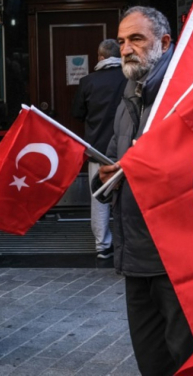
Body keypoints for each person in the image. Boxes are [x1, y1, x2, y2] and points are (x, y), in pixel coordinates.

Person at [96, 6, 193, 375]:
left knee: (187, 357)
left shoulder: (186, 94)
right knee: (151, 359)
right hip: (136, 251)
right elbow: (114, 155)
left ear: (165, 42)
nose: (125, 49)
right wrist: (105, 176)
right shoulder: (130, 93)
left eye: (136, 39)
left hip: (177, 254)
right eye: (121, 41)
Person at [71, 39, 126, 260]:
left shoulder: (88, 81)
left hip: (97, 148)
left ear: (100, 57)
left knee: (99, 197)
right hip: (125, 147)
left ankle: (102, 245)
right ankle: (127, 244)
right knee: (127, 196)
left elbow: (77, 113)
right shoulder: (129, 78)